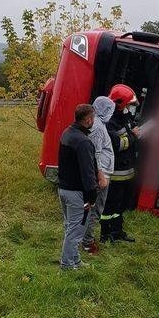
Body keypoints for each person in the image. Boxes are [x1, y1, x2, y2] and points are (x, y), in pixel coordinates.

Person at [58, 103, 98, 271]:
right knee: (75, 231)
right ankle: (67, 266)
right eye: (93, 118)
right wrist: (92, 196)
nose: (94, 120)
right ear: (88, 119)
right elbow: (88, 172)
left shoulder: (67, 133)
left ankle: (76, 260)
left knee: (70, 226)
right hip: (77, 193)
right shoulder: (83, 142)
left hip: (63, 189)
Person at [102, 84, 139, 243]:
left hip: (126, 172)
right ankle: (105, 234)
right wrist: (133, 136)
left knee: (120, 206)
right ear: (121, 104)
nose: (131, 108)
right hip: (115, 174)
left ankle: (117, 232)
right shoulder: (109, 121)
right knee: (109, 207)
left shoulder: (123, 117)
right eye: (129, 105)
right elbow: (116, 144)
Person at [82, 95, 115, 255]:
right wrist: (101, 175)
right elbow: (95, 154)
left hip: (100, 173)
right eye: (110, 110)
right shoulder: (98, 127)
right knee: (95, 209)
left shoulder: (97, 124)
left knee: (91, 208)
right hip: (100, 175)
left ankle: (84, 238)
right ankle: (88, 242)